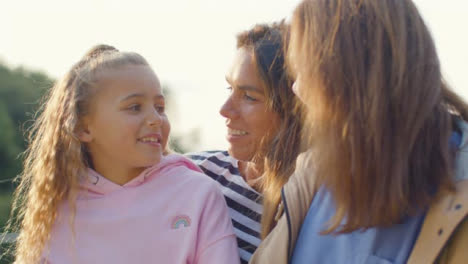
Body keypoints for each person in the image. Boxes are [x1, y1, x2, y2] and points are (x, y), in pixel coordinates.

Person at [250, 0, 468, 263]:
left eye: (303, 72)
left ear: (346, 74)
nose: (297, 91)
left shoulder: (457, 186)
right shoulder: (311, 178)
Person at [5, 45, 240, 264]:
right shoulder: (57, 206)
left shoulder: (197, 194)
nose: (155, 119)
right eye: (134, 107)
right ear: (83, 128)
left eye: (160, 107)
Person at [187, 22, 303, 264]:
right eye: (230, 88)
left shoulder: (311, 212)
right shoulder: (194, 175)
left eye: (249, 97)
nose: (225, 110)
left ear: (295, 109)